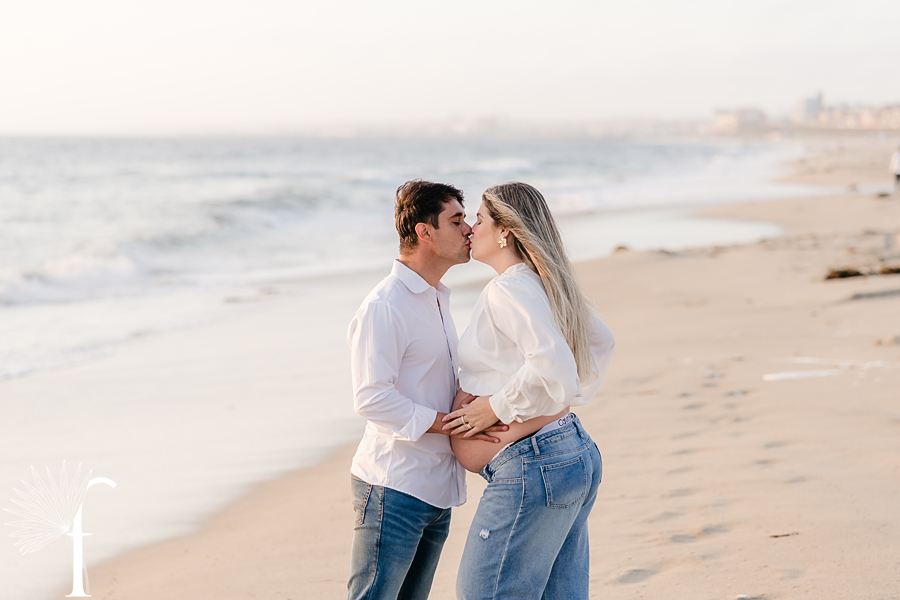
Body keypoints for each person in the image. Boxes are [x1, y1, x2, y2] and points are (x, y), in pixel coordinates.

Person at [442, 182, 615, 600]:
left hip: (535, 466)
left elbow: (552, 365)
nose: (471, 228)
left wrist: (496, 409)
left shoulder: (508, 289)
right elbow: (600, 343)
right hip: (565, 454)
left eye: (479, 219)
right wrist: (554, 406)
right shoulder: (545, 282)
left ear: (505, 231)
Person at [346, 180, 508, 600]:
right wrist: (450, 423)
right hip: (394, 486)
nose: (469, 230)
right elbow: (371, 398)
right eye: (456, 221)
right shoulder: (385, 305)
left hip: (437, 488)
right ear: (424, 232)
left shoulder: (435, 297)